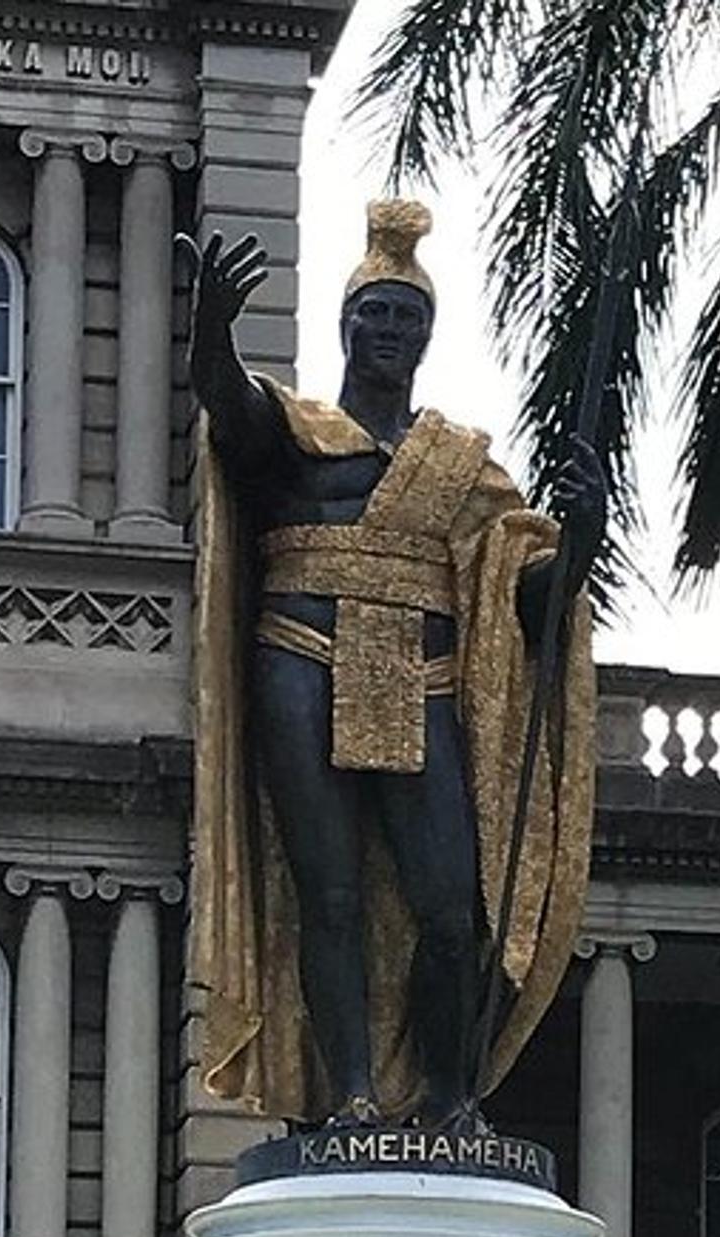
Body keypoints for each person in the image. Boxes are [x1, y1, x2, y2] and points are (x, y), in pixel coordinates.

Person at [186, 200, 602, 1129]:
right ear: (346, 325)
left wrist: (581, 533)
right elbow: (232, 411)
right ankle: (353, 1094)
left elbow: (531, 600)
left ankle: (448, 1095)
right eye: (374, 311)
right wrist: (211, 336)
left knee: (451, 909)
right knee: (328, 892)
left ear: (426, 335)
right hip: (302, 659)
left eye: (406, 316)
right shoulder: (297, 432)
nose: (389, 329)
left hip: (425, 677)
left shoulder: (461, 468)